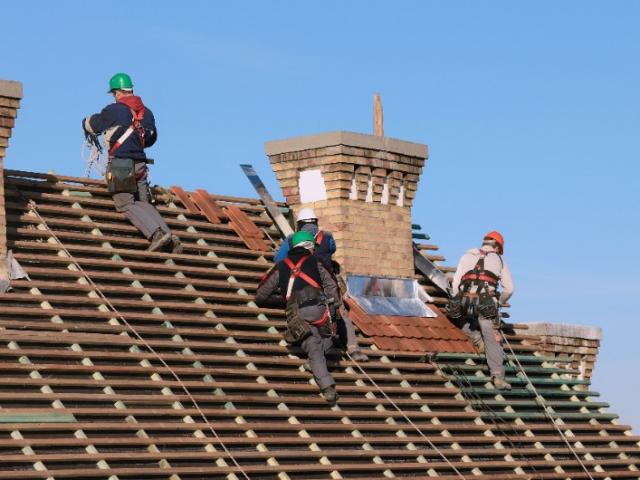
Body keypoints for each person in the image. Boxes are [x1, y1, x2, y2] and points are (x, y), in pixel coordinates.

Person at [256, 231, 368, 405]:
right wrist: (335, 308)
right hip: (319, 309)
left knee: (313, 347)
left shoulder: (280, 266)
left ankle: (327, 387)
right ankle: (320, 370)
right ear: (308, 246)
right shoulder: (317, 262)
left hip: (296, 314)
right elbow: (332, 288)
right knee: (329, 338)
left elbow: (261, 296)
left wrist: (285, 301)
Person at [82, 72, 182, 253]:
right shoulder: (147, 112)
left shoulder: (115, 110)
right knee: (142, 202)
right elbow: (151, 139)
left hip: (121, 163)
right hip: (141, 164)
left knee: (125, 203)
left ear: (117, 92)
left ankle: (156, 234)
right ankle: (170, 236)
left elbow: (94, 125)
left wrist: (85, 123)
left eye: (114, 93)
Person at [449, 231, 514, 390]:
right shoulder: (499, 260)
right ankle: (498, 376)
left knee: (457, 318)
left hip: (464, 300)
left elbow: (456, 284)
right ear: (498, 247)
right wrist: (499, 301)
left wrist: (461, 299)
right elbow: (509, 289)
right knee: (492, 337)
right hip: (486, 303)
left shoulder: (466, 256)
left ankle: (477, 340)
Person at [274, 208, 336, 272]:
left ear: (299, 224)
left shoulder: (291, 238)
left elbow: (278, 259)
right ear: (315, 222)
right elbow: (332, 250)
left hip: (301, 277)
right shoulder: (327, 236)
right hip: (324, 276)